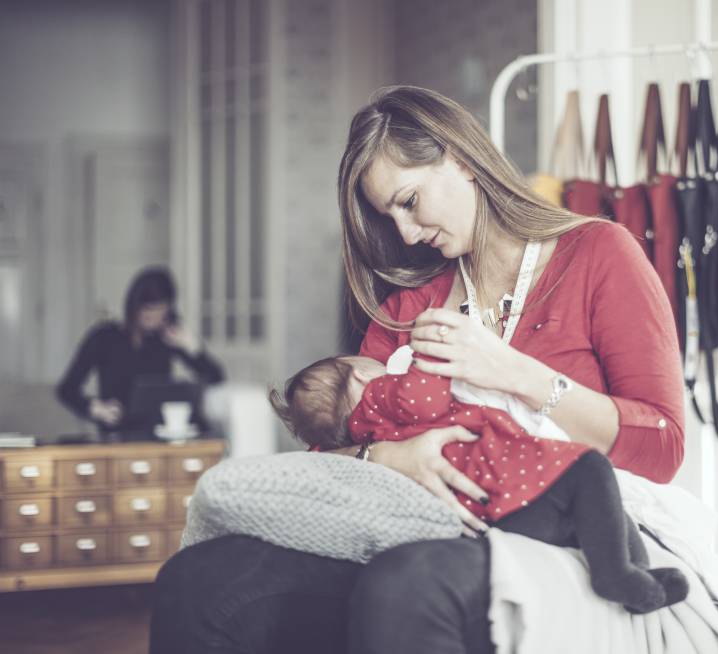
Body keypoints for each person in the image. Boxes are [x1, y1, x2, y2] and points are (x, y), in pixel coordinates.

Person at [150, 85, 684, 653]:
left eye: (409, 201)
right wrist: (386, 456)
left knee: (405, 582)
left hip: (559, 528)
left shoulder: (599, 253)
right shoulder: (410, 306)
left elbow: (663, 446)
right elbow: (328, 453)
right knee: (199, 579)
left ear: (460, 158)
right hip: (421, 530)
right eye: (389, 215)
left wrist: (516, 373)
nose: (404, 233)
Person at [269, 351, 689, 614]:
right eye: (368, 365)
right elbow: (425, 396)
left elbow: (320, 461)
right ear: (361, 379)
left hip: (494, 512)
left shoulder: (366, 435)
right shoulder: (384, 397)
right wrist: (428, 357)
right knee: (591, 470)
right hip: (509, 483)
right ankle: (617, 574)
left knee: (597, 512)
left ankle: (637, 581)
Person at [57, 267, 225, 437]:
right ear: (134, 307)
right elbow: (66, 389)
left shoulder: (166, 338)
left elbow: (216, 377)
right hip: (118, 434)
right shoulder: (104, 337)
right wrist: (95, 408)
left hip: (160, 433)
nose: (153, 316)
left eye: (160, 310)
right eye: (147, 310)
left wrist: (193, 347)